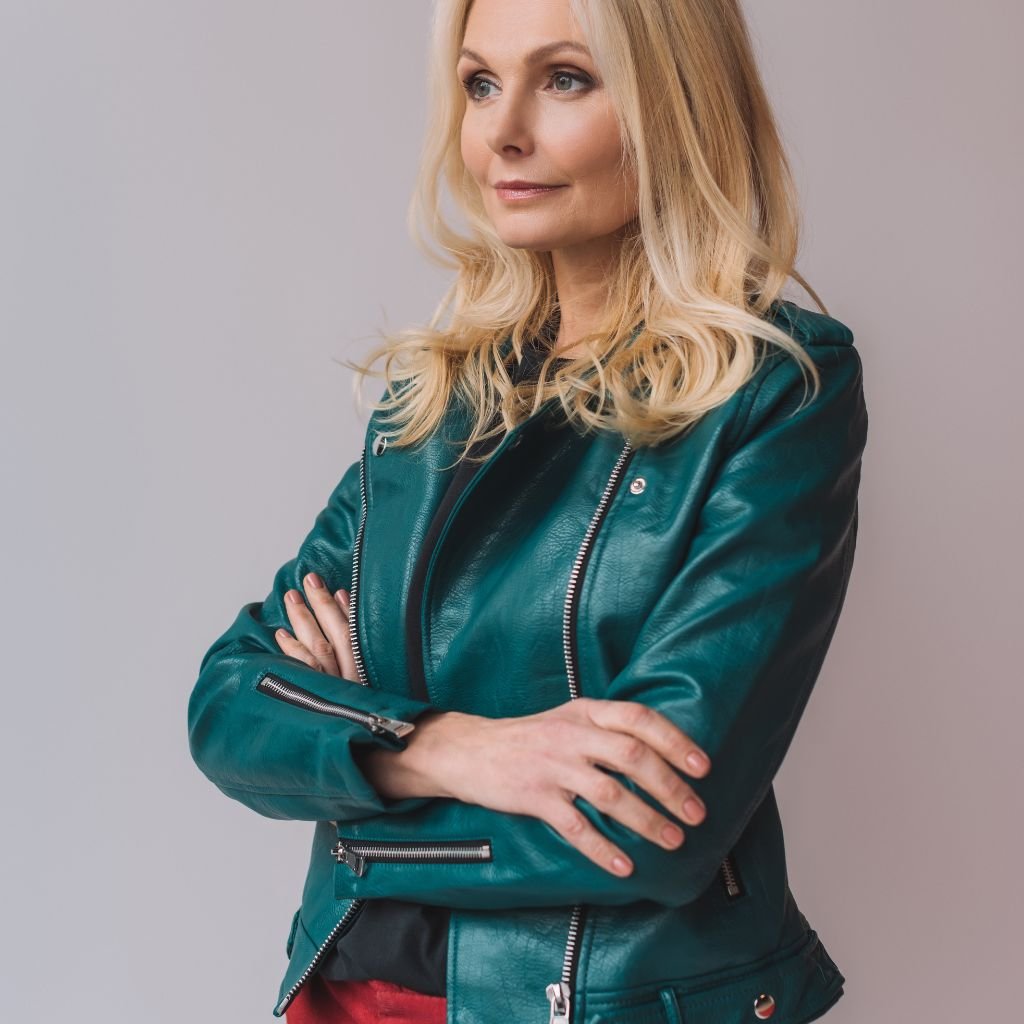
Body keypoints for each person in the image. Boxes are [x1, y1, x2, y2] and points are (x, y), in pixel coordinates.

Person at [187, 0, 869, 1021]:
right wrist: (450, 747)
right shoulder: (432, 399)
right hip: (340, 996)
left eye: (564, 79)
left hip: (586, 1000)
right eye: (477, 83)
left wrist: (349, 785)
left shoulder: (774, 393)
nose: (502, 131)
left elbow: (647, 822)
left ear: (669, 107)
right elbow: (230, 703)